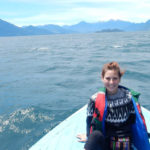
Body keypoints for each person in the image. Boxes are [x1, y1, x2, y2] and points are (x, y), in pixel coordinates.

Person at [77, 62, 150, 150]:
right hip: (106, 141)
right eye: (108, 78)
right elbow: (90, 121)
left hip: (124, 142)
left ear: (119, 79)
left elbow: (135, 122)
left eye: (115, 78)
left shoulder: (128, 98)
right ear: (102, 78)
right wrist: (89, 137)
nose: (111, 82)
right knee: (95, 135)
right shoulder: (94, 99)